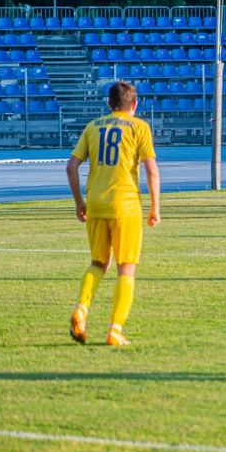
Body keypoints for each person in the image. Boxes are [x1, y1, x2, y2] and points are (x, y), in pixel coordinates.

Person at [66, 81, 160, 347]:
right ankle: (115, 330)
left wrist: (79, 202)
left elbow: (71, 167)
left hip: (96, 204)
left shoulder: (93, 127)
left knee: (98, 263)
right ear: (134, 104)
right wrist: (155, 207)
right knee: (126, 268)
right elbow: (152, 170)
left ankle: (82, 309)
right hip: (125, 206)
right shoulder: (139, 127)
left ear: (109, 104)